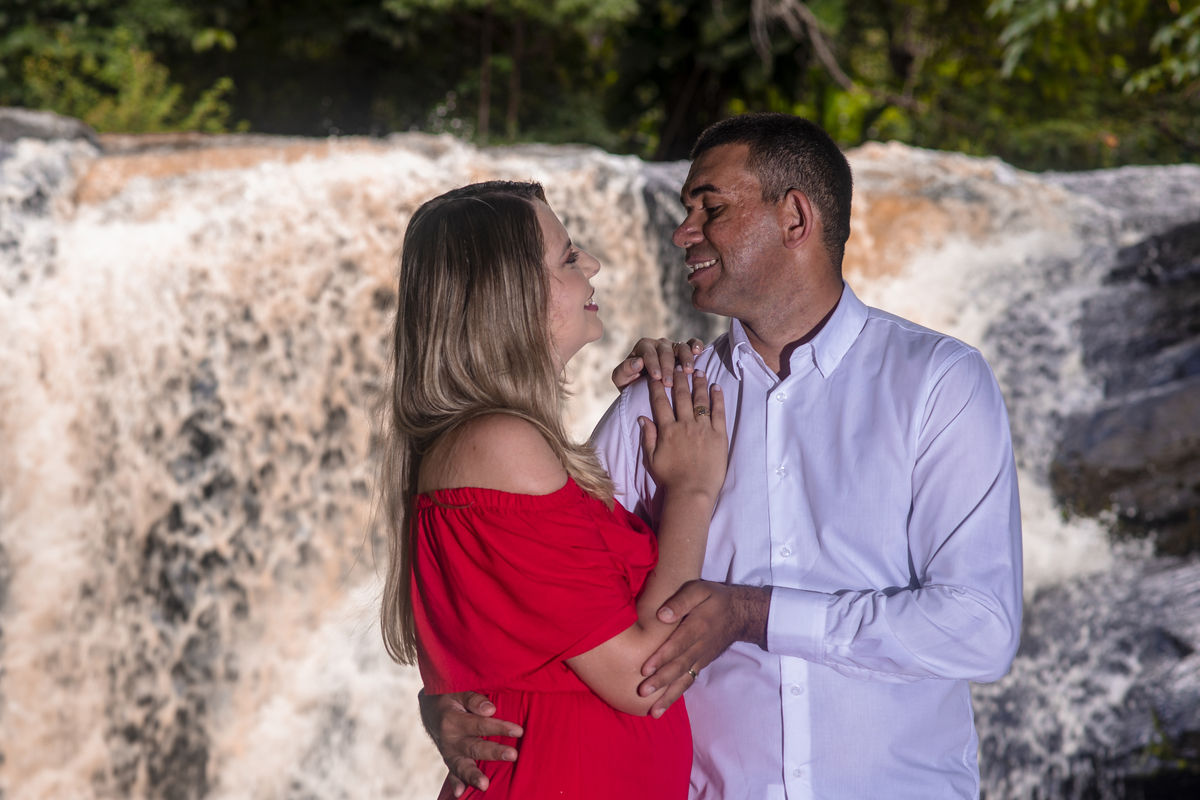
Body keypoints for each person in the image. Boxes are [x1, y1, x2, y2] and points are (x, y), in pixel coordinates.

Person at [421, 114, 1023, 799]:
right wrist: (446, 701)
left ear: (795, 218)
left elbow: (980, 629)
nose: (683, 232)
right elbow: (527, 583)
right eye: (685, 210)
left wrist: (754, 612)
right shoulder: (657, 403)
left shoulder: (938, 383)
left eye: (711, 208)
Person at [379, 180, 732, 799]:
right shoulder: (499, 444)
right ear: (509, 295)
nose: (592, 264)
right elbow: (643, 678)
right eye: (569, 258)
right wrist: (693, 491)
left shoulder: (506, 443)